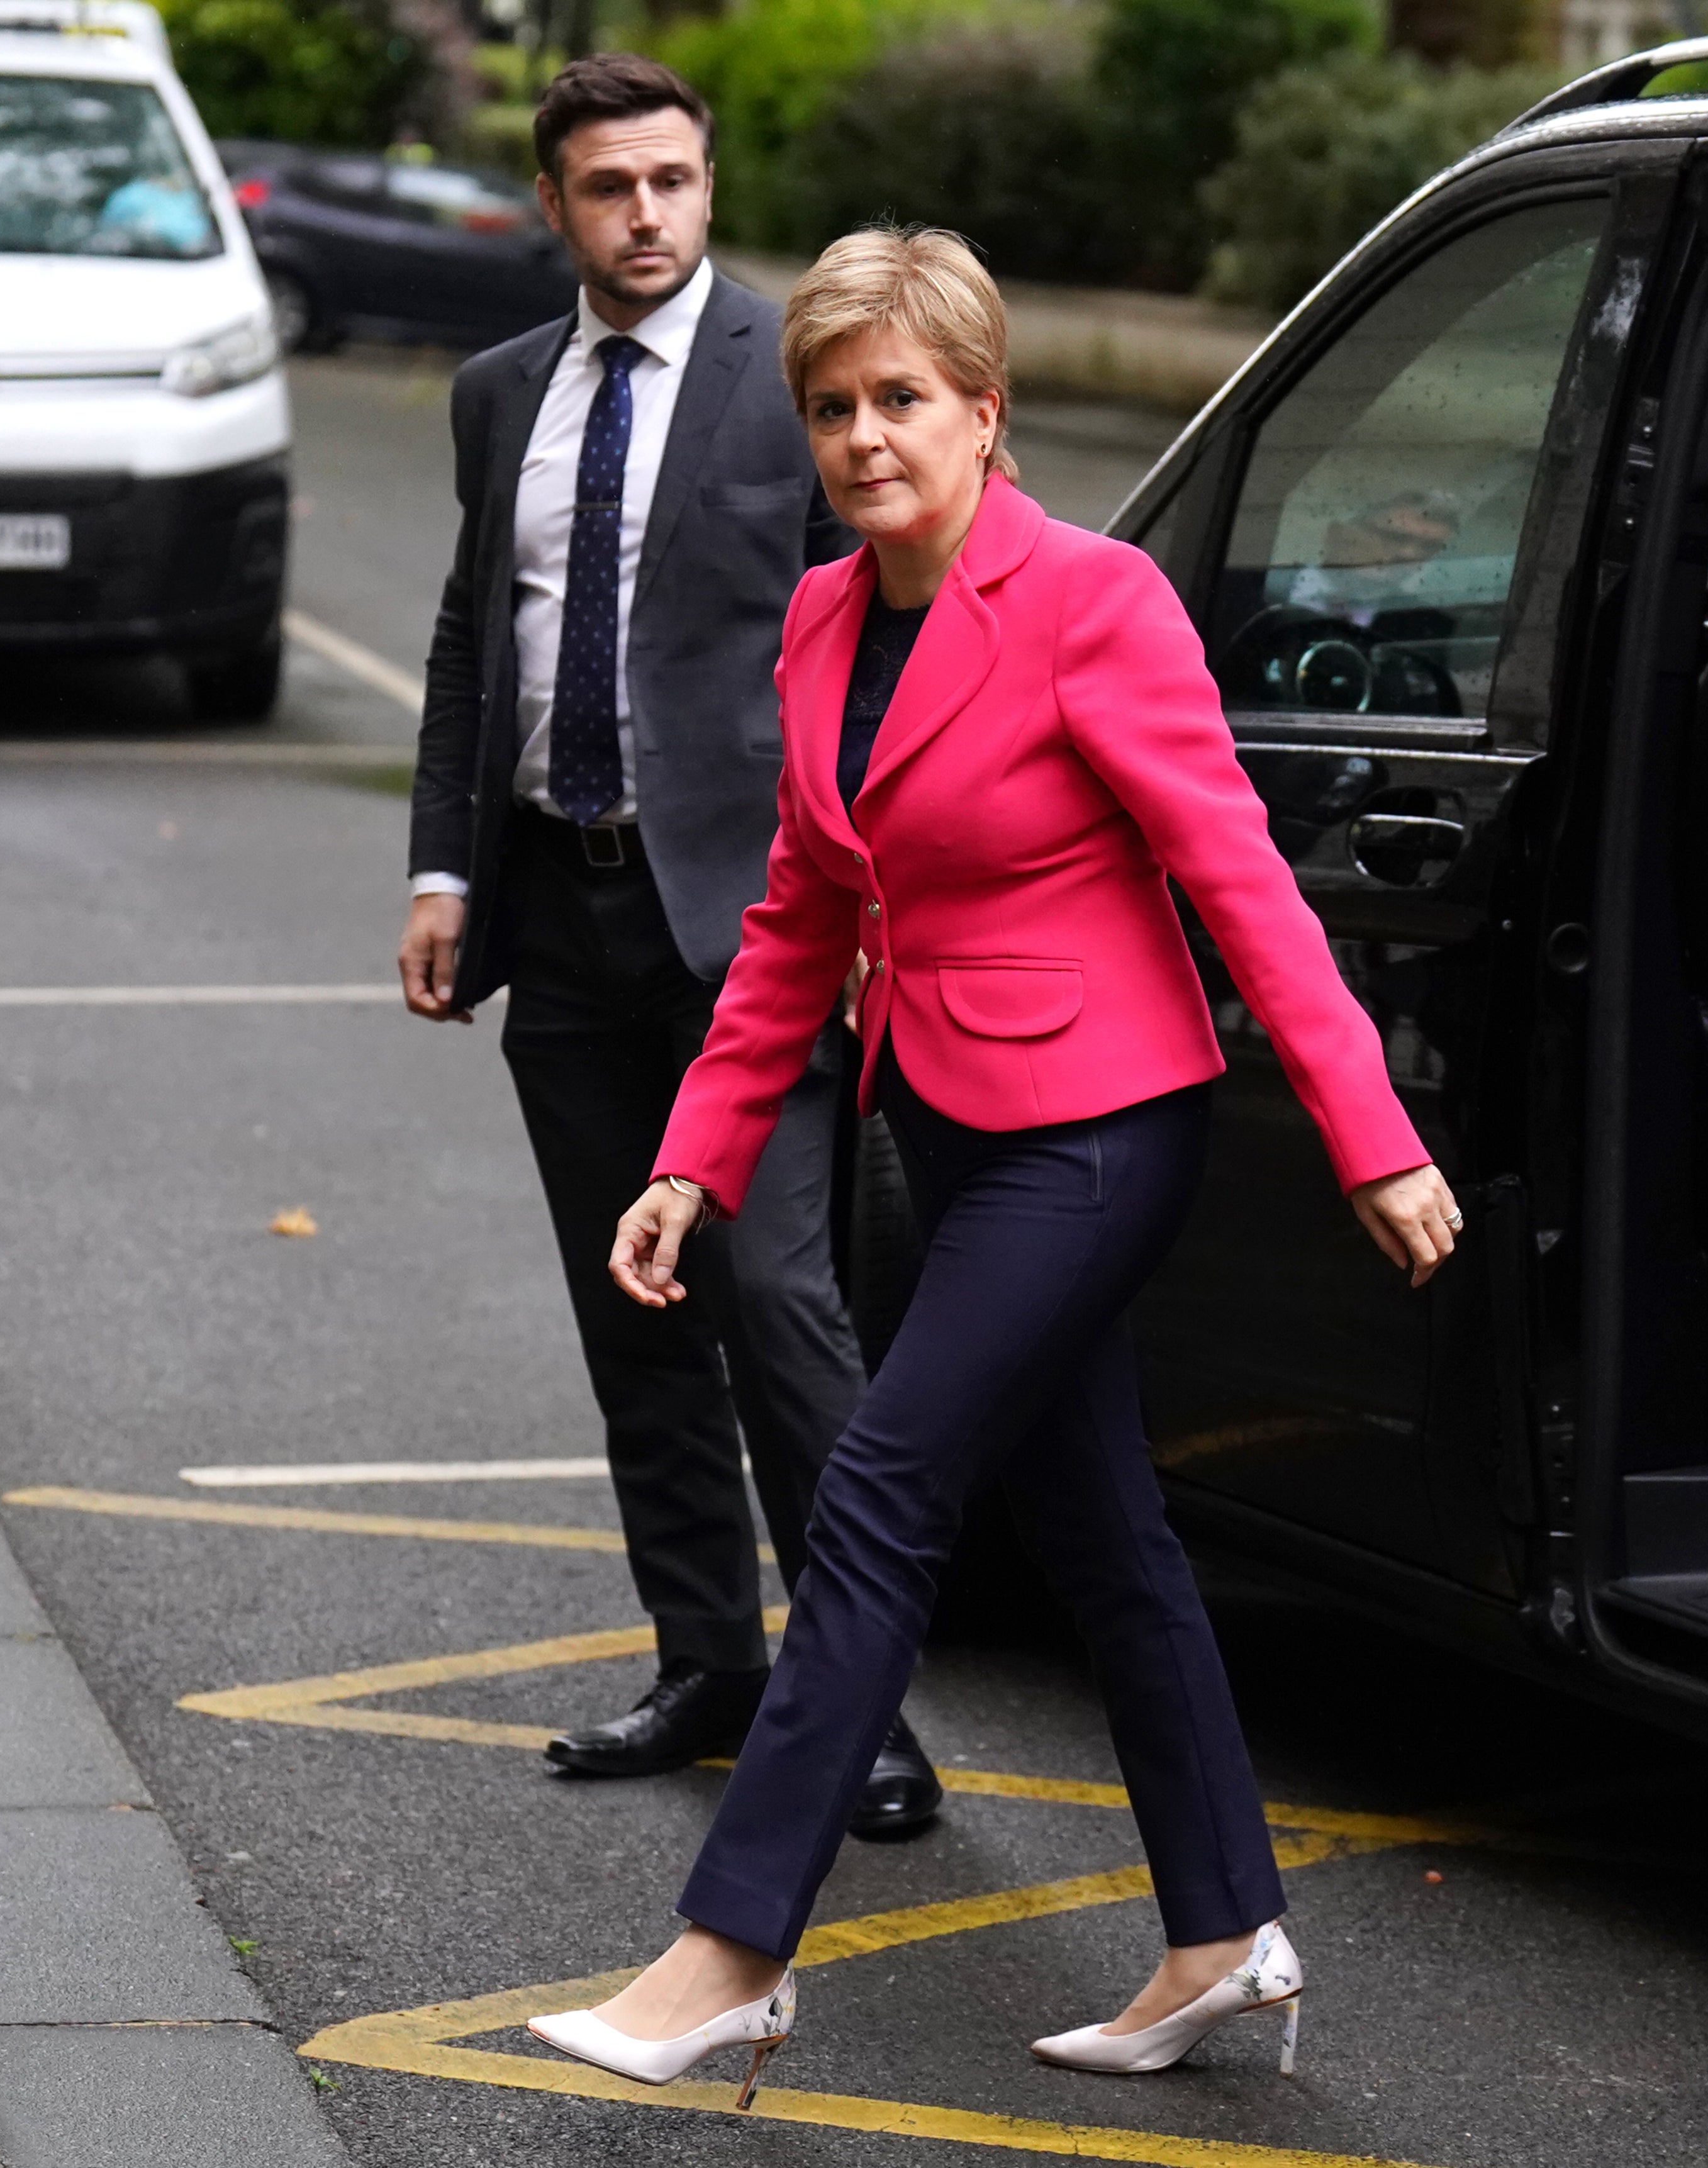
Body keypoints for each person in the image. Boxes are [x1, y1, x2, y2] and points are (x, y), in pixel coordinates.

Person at [526, 228, 1462, 2101]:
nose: (863, 438)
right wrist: (693, 1164)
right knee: (1107, 1527)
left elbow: (1237, 880)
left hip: (1102, 1128)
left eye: (898, 400)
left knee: (876, 1492)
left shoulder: (1092, 600)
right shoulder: (822, 619)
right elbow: (800, 915)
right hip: (945, 1122)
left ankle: (727, 1953)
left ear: (982, 409)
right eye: (830, 407)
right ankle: (1224, 1931)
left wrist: (1370, 1132)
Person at [401, 55, 937, 1834]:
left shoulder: (799, 377)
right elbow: (478, 632)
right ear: (553, 204)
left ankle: (860, 1695)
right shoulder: (497, 394)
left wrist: (871, 891)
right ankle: (709, 1655)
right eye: (611, 187)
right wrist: (440, 872)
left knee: (778, 1300)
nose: (646, 214)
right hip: (561, 910)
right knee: (627, 1310)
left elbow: (879, 641)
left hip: (756, 930)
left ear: (708, 189)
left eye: (674, 182)